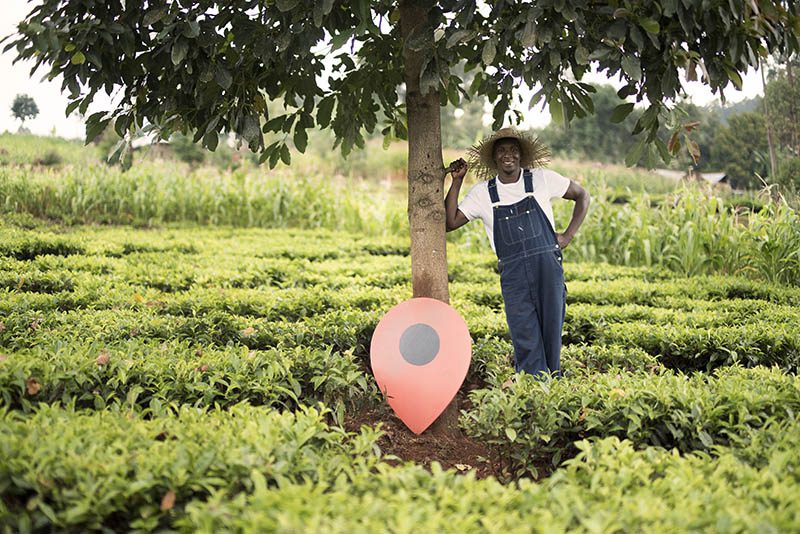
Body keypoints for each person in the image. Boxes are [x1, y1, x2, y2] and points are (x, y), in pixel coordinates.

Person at [444, 128, 590, 380]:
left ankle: (552, 388)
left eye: (513, 149)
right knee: (525, 334)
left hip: (547, 267)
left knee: (551, 332)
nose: (507, 155)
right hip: (514, 275)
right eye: (502, 150)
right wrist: (456, 181)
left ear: (521, 155)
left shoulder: (542, 179)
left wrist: (567, 236)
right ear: (495, 158)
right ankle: (533, 389)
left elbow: (582, 196)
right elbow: (451, 222)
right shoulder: (482, 193)